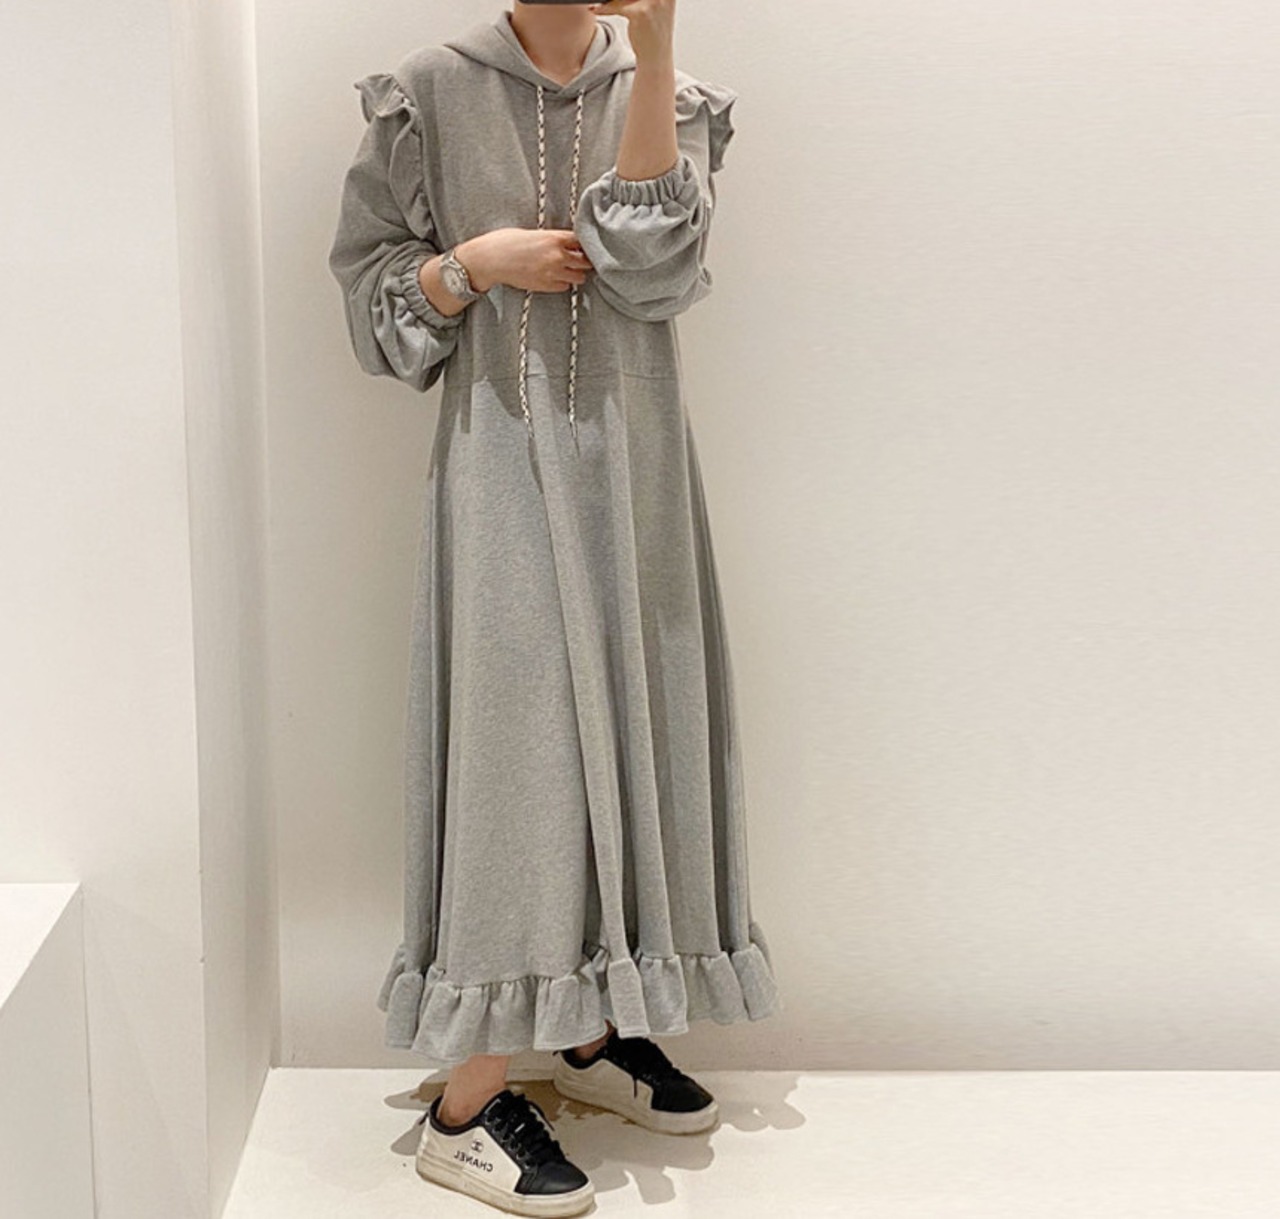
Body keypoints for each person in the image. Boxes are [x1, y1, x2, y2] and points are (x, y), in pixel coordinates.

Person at [327, 2, 780, 1213]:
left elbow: (653, 271)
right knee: (518, 759)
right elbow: (373, 313)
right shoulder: (426, 91)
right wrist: (473, 264)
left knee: (640, 734)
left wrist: (657, 47)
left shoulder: (666, 90)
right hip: (500, 468)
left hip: (633, 476)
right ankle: (465, 1104)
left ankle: (588, 1025)